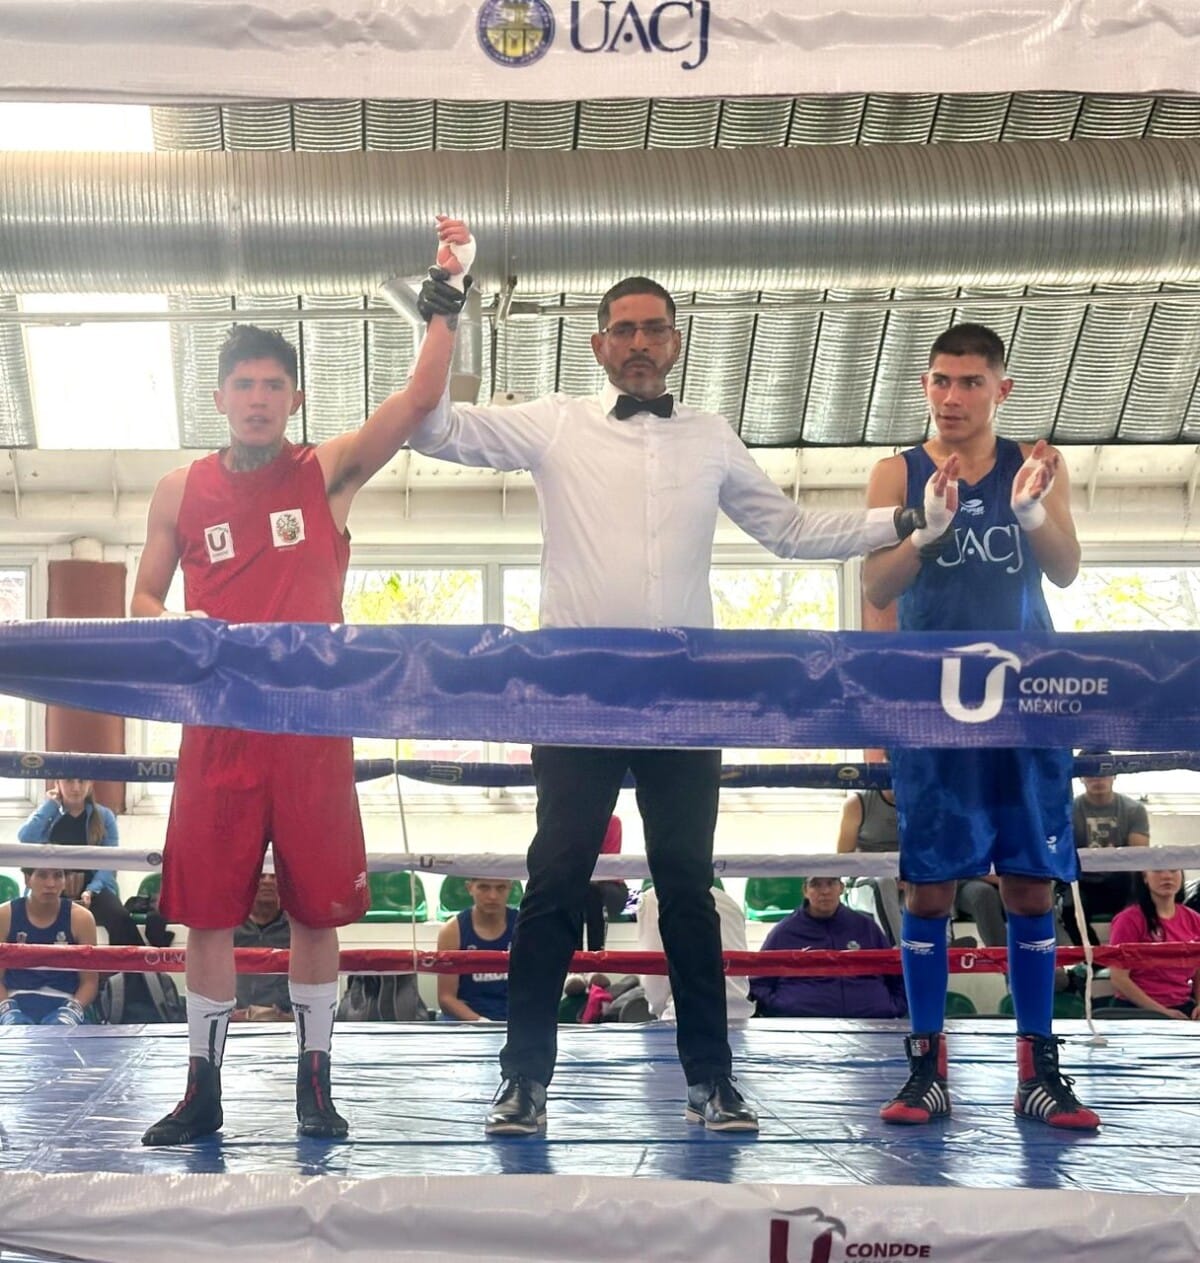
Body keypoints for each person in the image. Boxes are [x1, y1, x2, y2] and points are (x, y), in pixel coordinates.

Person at [407, 274, 944, 1135]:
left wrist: (906, 519)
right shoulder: (555, 421)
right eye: (623, 330)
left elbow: (790, 530)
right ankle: (523, 1080)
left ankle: (713, 1080)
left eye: (653, 329)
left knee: (689, 889)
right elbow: (433, 427)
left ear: (676, 341)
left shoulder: (710, 435)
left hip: (685, 694)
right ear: (598, 345)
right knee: (554, 884)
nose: (638, 344)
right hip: (578, 691)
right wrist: (443, 319)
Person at [130, 218, 474, 1146]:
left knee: (318, 909)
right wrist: (177, 628)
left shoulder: (324, 473)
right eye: (243, 384)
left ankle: (314, 1085)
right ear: (219, 396)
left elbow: (418, 399)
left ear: (294, 397)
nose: (257, 399)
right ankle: (201, 1088)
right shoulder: (177, 491)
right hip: (218, 723)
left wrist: (446, 297)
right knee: (208, 913)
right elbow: (143, 597)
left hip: (313, 721)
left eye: (272, 385)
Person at [864, 322, 1100, 1130]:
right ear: (925, 386)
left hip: (1028, 698)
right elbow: (878, 583)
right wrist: (923, 535)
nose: (953, 396)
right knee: (928, 884)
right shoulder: (896, 470)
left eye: (970, 382)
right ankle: (926, 1066)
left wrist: (1031, 513)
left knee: (1030, 881)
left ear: (1001, 388)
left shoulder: (1033, 463)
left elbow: (1066, 569)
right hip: (934, 700)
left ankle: (1037, 1068)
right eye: (941, 380)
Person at [750, 876, 906, 1019]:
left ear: (841, 888)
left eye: (831, 883)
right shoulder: (784, 931)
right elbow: (759, 982)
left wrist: (893, 1007)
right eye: (816, 885)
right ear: (805, 891)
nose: (825, 891)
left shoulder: (866, 927)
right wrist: (780, 1006)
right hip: (801, 1026)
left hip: (873, 1024)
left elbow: (896, 973)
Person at [1063, 750, 1151, 945]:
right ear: (1081, 777)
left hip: (1120, 880)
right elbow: (1064, 854)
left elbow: (1138, 857)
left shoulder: (1133, 809)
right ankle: (1095, 956)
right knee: (1068, 908)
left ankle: (1126, 954)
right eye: (1090, 773)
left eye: (1103, 771)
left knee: (1139, 904)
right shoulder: (1068, 811)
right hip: (1083, 880)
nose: (1097, 778)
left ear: (1114, 774)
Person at [637, 882, 754, 1025]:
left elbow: (654, 979)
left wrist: (660, 1011)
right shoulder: (729, 902)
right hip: (738, 1014)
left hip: (685, 1016)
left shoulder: (655, 898)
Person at [0, 868, 97, 1026]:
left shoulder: (81, 918)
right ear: (27, 879)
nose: (50, 884)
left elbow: (90, 982)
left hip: (65, 1001)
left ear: (65, 881)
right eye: (42, 875)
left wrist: (72, 1011)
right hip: (14, 999)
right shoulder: (4, 915)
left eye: (58, 876)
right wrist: (7, 1010)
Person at [1107, 870, 1200, 1019]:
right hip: (1137, 1010)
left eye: (1173, 870)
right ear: (1144, 877)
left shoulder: (1194, 919)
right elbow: (1119, 978)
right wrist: (1162, 1012)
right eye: (1158, 870)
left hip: (1182, 1007)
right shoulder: (1128, 920)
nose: (1167, 876)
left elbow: (1198, 970)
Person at [436, 878, 518, 1022]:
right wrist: (481, 1022)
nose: (493, 896)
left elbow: (536, 987)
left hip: (514, 1016)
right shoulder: (452, 930)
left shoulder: (523, 926)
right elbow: (446, 998)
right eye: (484, 887)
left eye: (500, 888)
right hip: (467, 1018)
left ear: (509, 888)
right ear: (470, 888)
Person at [836, 788, 903, 944]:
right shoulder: (857, 803)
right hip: (865, 879)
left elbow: (927, 852)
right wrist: (889, 871)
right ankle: (899, 947)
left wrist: (910, 876)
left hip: (906, 878)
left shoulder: (923, 803)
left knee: (934, 882)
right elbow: (844, 859)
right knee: (883, 882)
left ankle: (943, 944)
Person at [232, 872, 292, 1021]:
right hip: (233, 1019)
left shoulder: (297, 929)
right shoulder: (228, 927)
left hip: (286, 1021)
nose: (267, 881)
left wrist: (290, 1017)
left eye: (274, 876)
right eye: (261, 875)